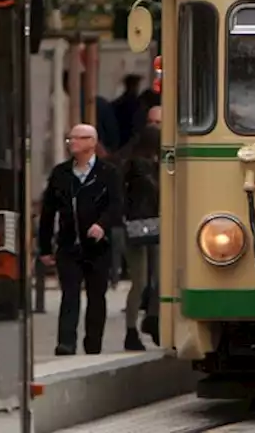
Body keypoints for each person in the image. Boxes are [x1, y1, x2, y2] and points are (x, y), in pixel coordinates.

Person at [38, 124, 124, 355]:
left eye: (76, 139)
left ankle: (93, 342)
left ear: (91, 142)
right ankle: (66, 342)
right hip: (69, 244)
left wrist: (101, 225)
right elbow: (48, 212)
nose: (71, 143)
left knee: (97, 296)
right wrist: (45, 247)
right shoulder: (61, 174)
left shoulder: (108, 173)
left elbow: (116, 206)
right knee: (70, 294)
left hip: (98, 246)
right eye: (69, 139)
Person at [120, 124, 161, 350]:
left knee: (144, 281)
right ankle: (139, 326)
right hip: (146, 225)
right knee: (146, 281)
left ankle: (136, 328)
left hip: (138, 226)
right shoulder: (143, 169)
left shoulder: (133, 166)